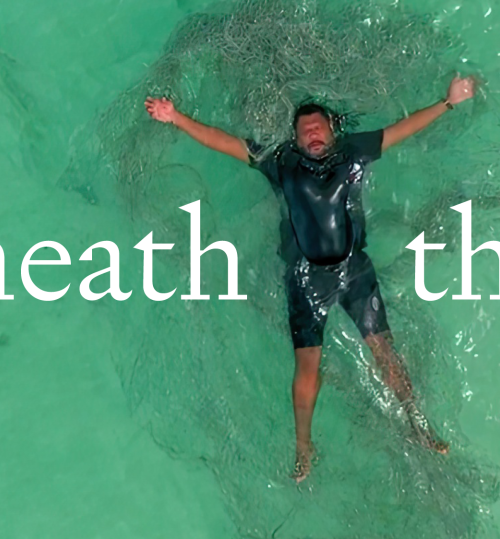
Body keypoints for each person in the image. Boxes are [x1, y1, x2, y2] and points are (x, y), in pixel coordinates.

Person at [145, 76, 475, 482]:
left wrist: (448, 102)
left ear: (332, 131)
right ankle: (304, 446)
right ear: (296, 140)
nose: (312, 134)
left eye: (318, 128)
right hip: (306, 280)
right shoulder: (280, 161)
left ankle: (418, 425)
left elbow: (401, 130)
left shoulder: (354, 152)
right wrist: (175, 117)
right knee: (307, 370)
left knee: (386, 353)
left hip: (355, 272)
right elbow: (223, 141)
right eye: (304, 131)